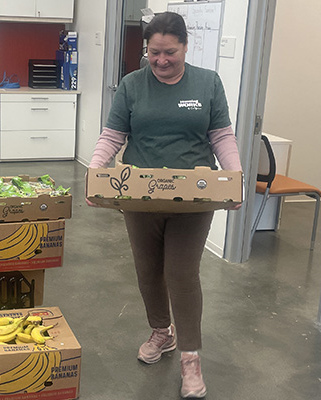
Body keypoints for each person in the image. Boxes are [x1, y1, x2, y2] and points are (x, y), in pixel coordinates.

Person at [87, 12, 242, 399]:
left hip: (194, 196)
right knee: (147, 271)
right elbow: (113, 134)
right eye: (153, 52)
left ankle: (191, 358)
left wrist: (234, 180)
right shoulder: (132, 84)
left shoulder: (207, 83)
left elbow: (221, 135)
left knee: (182, 274)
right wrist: (95, 173)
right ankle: (161, 332)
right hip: (140, 195)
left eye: (169, 52)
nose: (160, 60)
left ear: (185, 47)